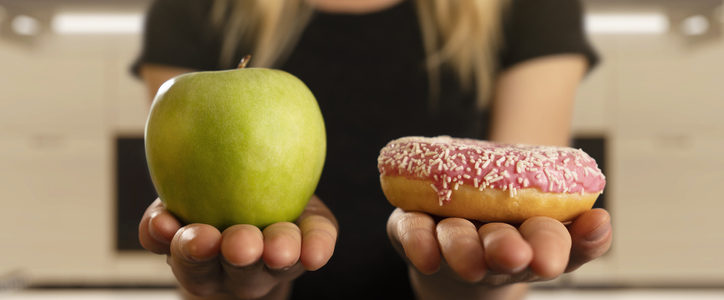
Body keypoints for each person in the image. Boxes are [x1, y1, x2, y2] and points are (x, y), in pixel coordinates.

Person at [133, 0, 613, 299]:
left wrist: (460, 287)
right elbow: (193, 196)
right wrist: (234, 290)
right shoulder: (192, 8)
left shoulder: (530, 8)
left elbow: (525, 197)